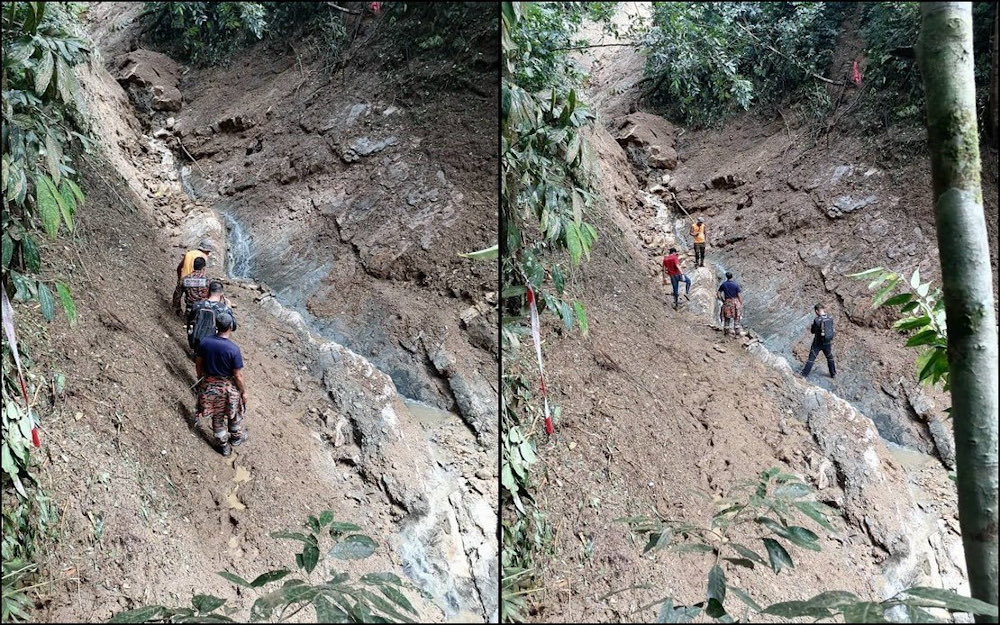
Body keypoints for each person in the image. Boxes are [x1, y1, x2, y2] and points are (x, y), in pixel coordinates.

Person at [195, 313, 247, 457]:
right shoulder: (233, 349)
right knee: (234, 412)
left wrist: (201, 379)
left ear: (216, 326)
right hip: (227, 388)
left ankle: (223, 446)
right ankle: (236, 437)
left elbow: (198, 363)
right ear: (231, 327)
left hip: (210, 387)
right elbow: (237, 375)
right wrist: (243, 392)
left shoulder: (204, 342)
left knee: (217, 417)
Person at [187, 280, 238, 351]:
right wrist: (229, 308)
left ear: (208, 292)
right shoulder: (224, 309)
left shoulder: (197, 305)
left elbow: (189, 323)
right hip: (212, 347)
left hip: (195, 342)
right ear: (221, 294)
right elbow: (234, 327)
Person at [801, 303, 836, 379]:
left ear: (816, 311)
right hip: (827, 343)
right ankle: (833, 374)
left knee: (811, 359)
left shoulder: (817, 320)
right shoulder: (830, 317)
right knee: (830, 357)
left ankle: (804, 375)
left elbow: (813, 331)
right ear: (823, 309)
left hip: (817, 343)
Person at [717, 271, 743, 336]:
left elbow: (718, 293)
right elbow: (739, 295)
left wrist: (722, 300)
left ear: (726, 277)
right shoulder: (736, 285)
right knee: (736, 318)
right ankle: (737, 334)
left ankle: (726, 333)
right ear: (732, 276)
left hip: (727, 302)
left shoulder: (724, 284)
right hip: (735, 302)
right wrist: (740, 303)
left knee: (727, 318)